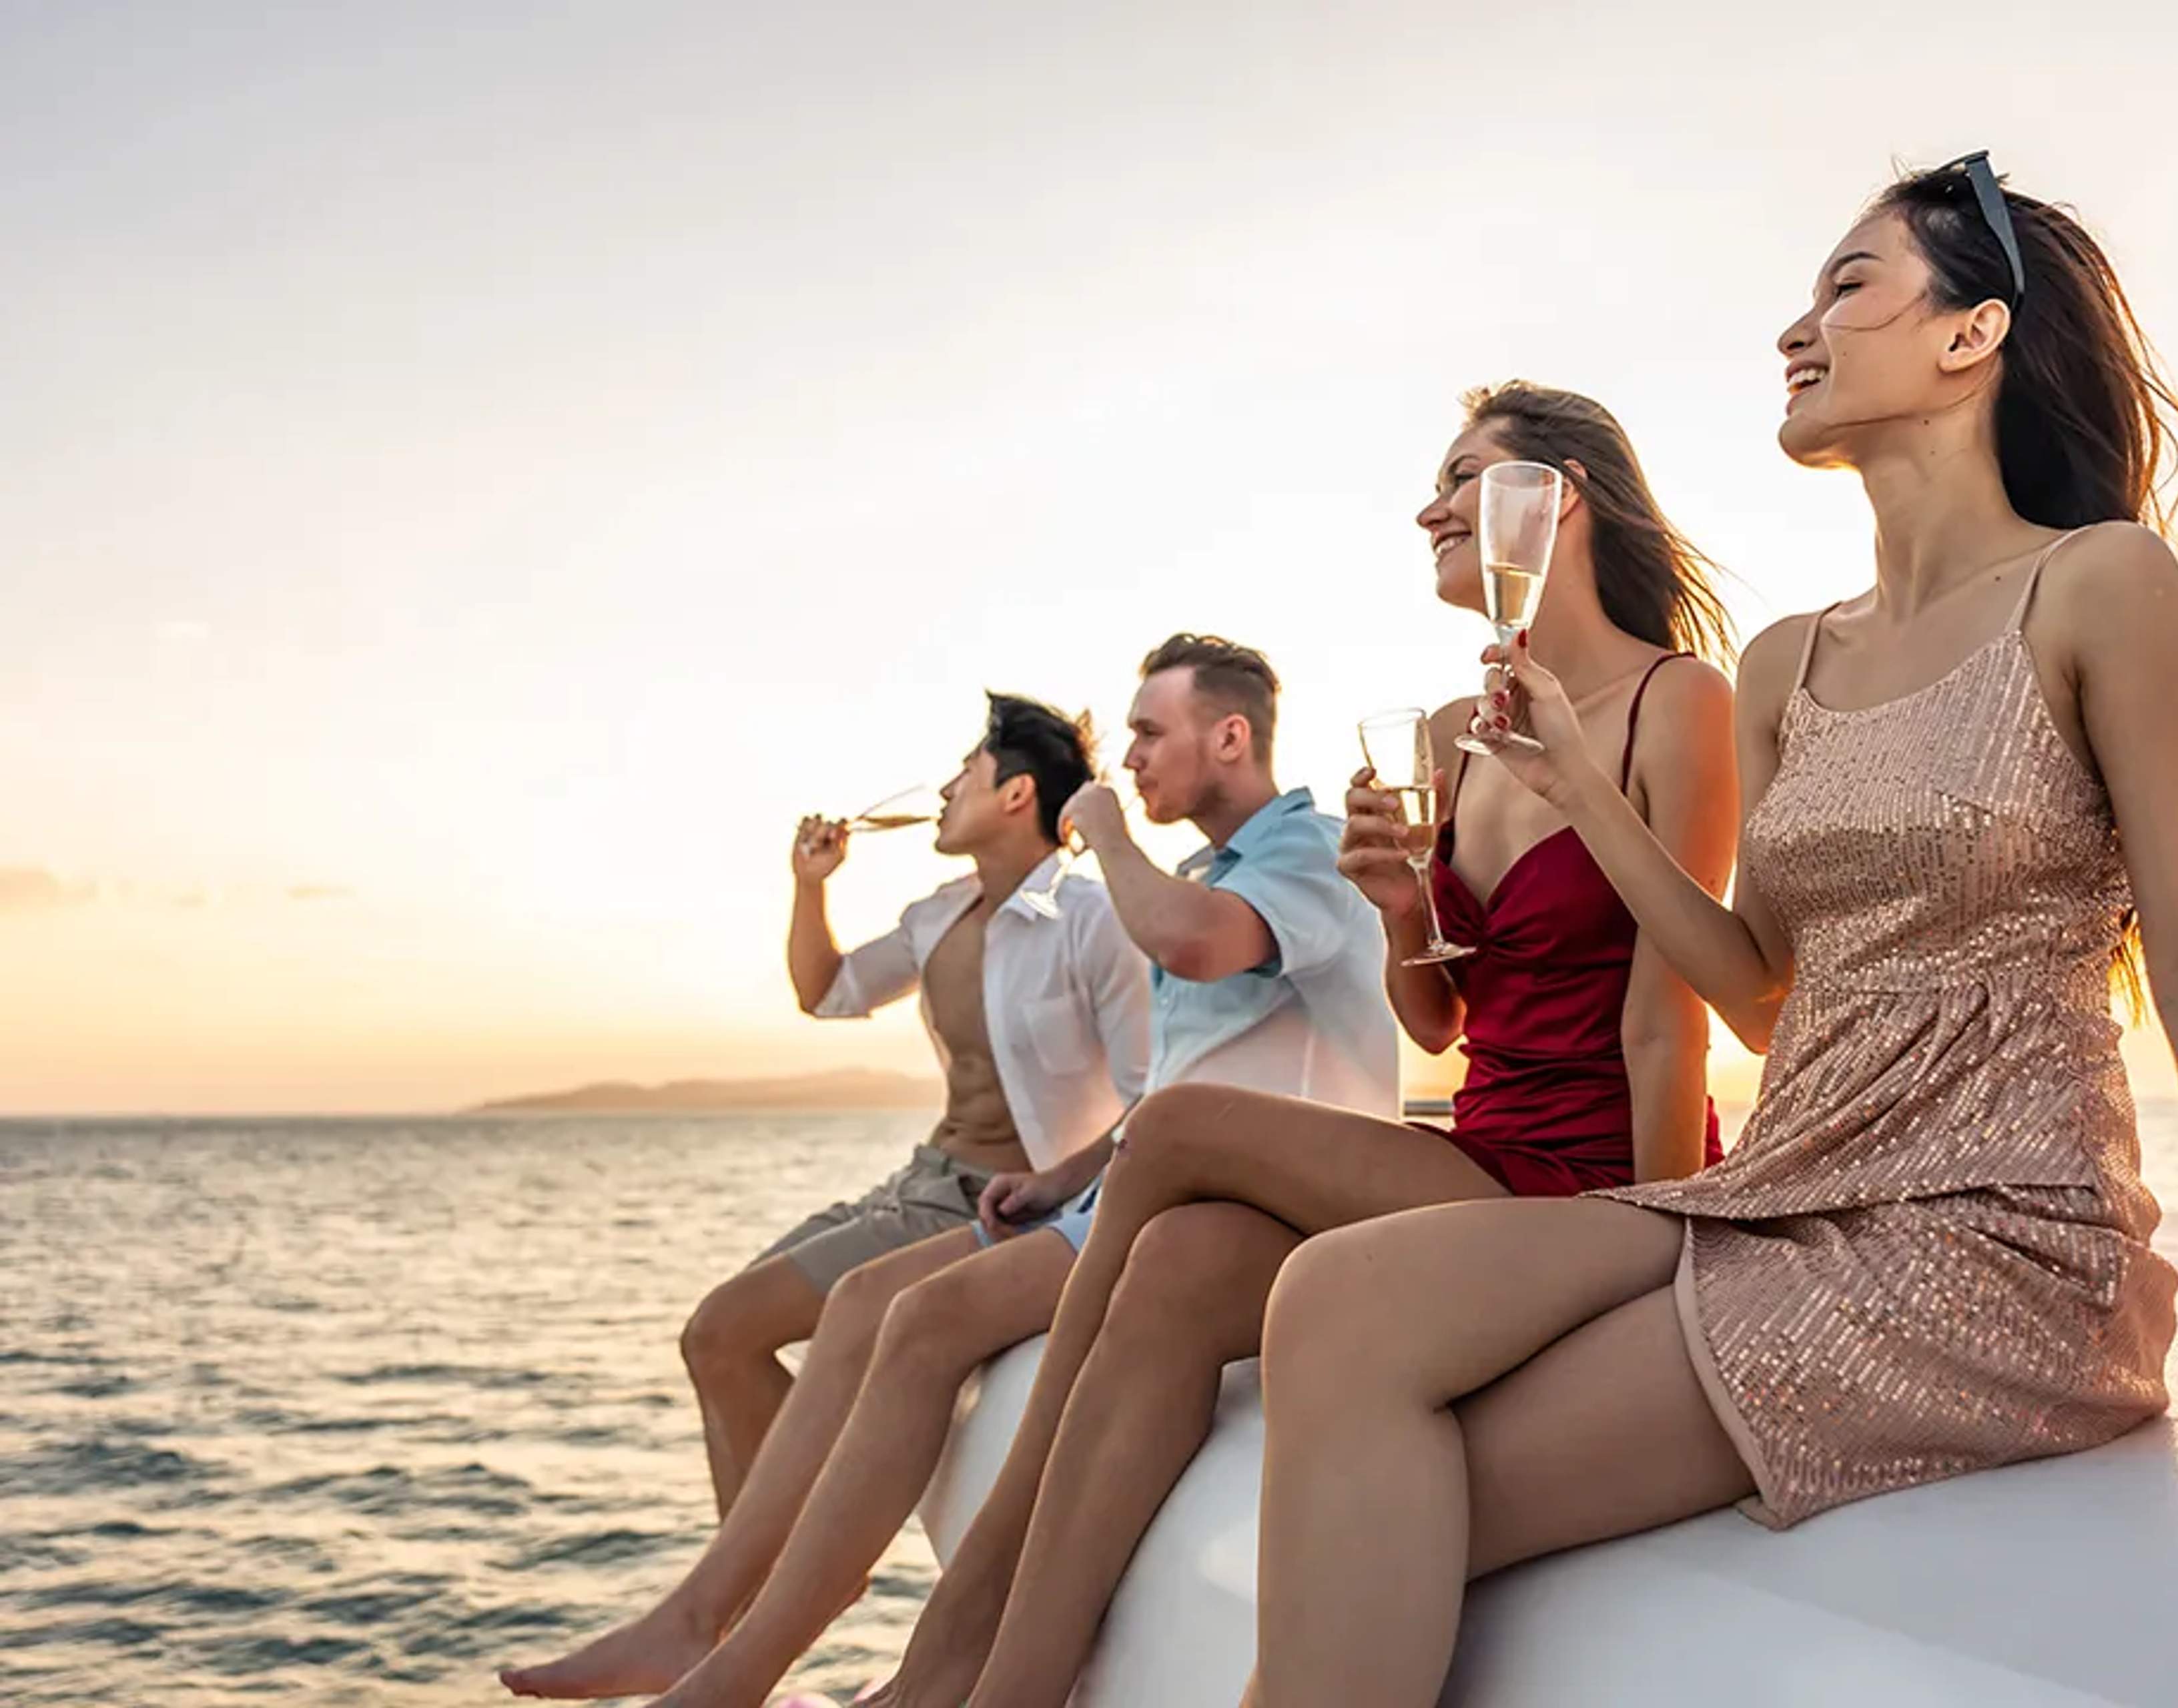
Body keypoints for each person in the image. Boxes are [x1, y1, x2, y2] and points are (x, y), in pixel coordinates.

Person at [1242, 158, 2178, 1708]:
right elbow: (1752, 994)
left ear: (1971, 333)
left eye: (1846, 285)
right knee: (1330, 1296)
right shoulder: (1789, 659)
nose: (1796, 330)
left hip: (1994, 1232)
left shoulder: (2099, 587)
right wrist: (1586, 795)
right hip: (1788, 1180)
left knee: (1427, 1471)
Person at [865, 383, 1743, 1708]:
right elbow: (1444, 1020)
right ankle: (1007, 1683)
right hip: (1488, 1144)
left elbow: (1665, 1023)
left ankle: (949, 1653)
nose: (1428, 506)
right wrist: (1402, 911)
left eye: (1465, 475)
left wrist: (1657, 1253)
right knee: (1176, 1259)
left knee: (1174, 1127)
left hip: (1596, 1178)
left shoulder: (1677, 703)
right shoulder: (1460, 732)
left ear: (1553, 498)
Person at [499, 633, 1399, 1704]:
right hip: (1119, 1188)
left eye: (1152, 733)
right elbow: (1165, 1085)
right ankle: (722, 1630)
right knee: (866, 1307)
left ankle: (746, 1662)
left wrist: (1105, 836)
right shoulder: (1187, 875)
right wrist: (1070, 1177)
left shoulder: (1296, 851)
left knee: (918, 1322)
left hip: (1239, 1210)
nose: (1135, 759)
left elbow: (1194, 954)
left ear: (1232, 735)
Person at [680, 693, 1145, 1519]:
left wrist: (1070, 1187)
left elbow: (1153, 1091)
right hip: (923, 1179)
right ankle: (776, 1558)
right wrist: (808, 886)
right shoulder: (938, 916)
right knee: (716, 1338)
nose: (942, 793)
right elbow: (825, 992)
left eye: (965, 773)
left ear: (1016, 794)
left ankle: (748, 1586)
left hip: (1004, 1203)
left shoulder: (1092, 918)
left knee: (723, 1328)